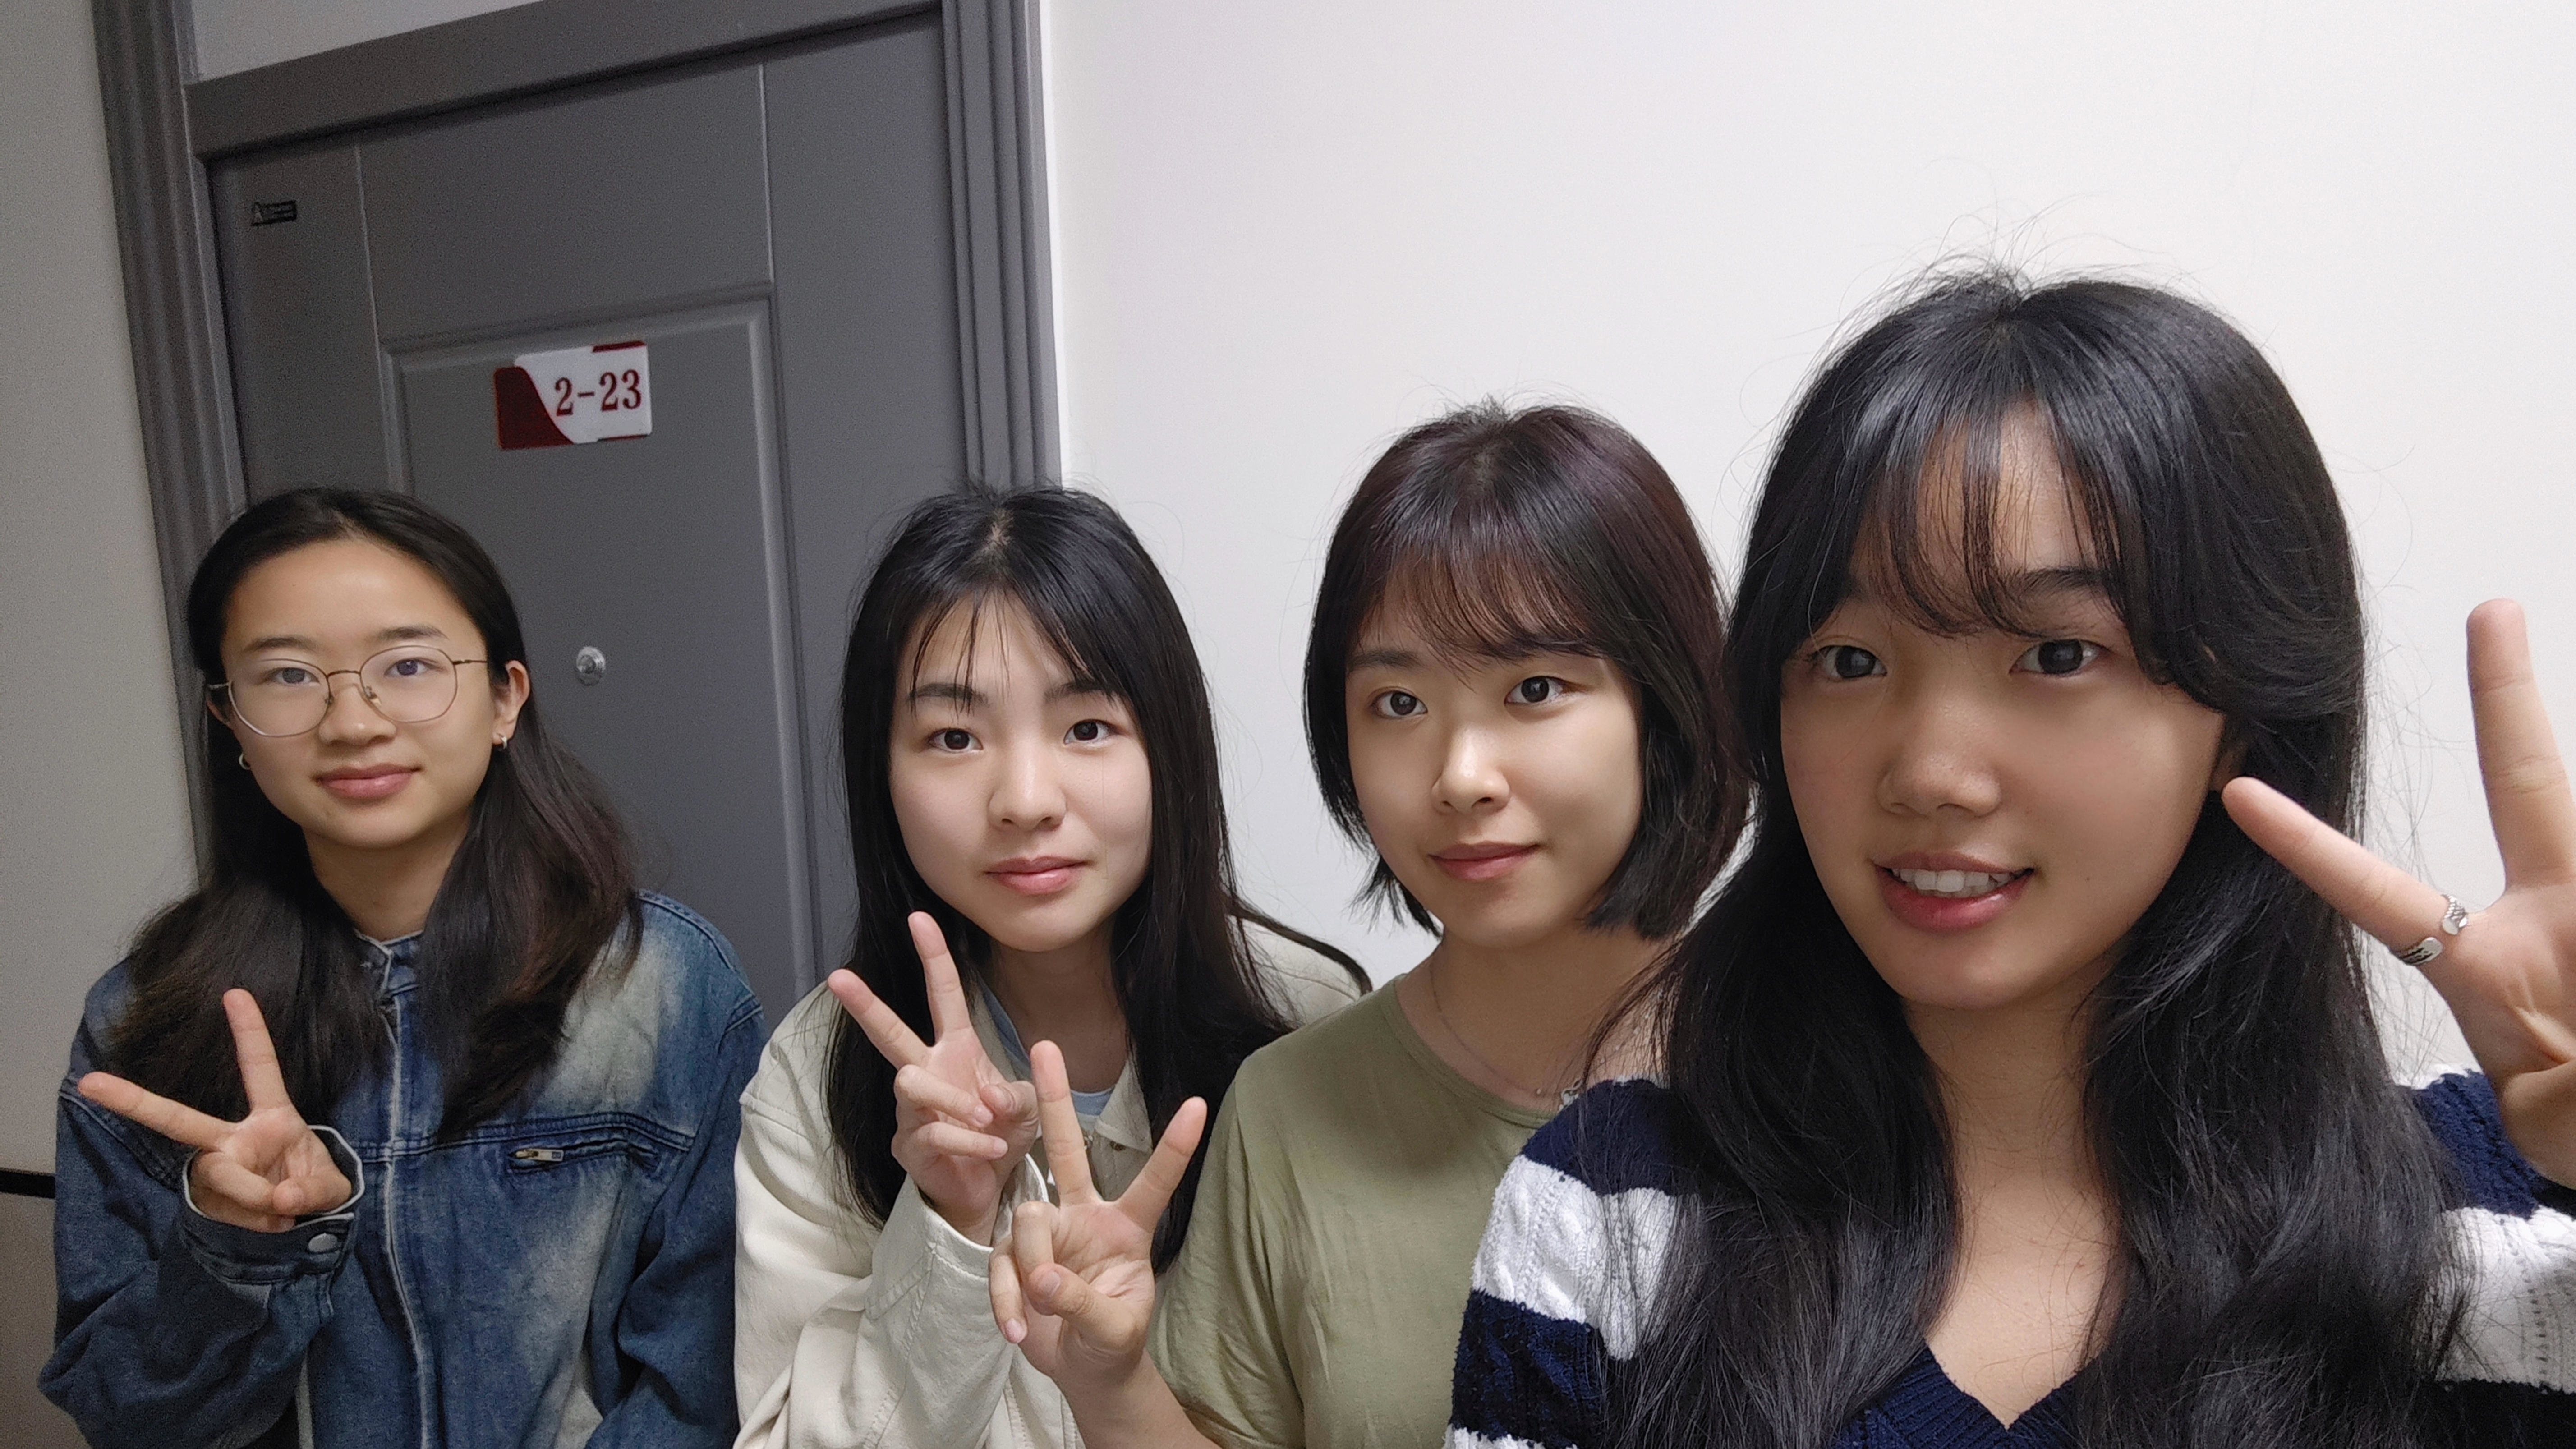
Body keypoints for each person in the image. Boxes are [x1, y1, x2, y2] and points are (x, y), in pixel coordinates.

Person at [1449, 274, 2576, 1448]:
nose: (1932, 772)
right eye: (1847, 659)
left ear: (2240, 718)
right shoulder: (1616, 1213)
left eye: (2056, 653)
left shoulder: (2503, 1230)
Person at [988, 403, 1746, 1448]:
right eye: (1398, 703)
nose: (1461, 776)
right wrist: (1112, 1383)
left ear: (1664, 705)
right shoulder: (1291, 1109)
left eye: (1535, 688)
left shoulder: (1818, 1069)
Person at [44, 488, 762, 1449]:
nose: (352, 720)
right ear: (229, 720)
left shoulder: (662, 983)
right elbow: (128, 1420)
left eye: (409, 665)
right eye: (288, 674)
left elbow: (702, 1389)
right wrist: (233, 1250)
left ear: (506, 697)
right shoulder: (152, 1017)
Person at [731, 485, 1368, 1448]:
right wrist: (949, 1219)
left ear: (1170, 746)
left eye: (1086, 727)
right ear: (881, 772)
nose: (1025, 799)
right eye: (954, 737)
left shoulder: (1310, 1018)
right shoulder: (820, 1070)